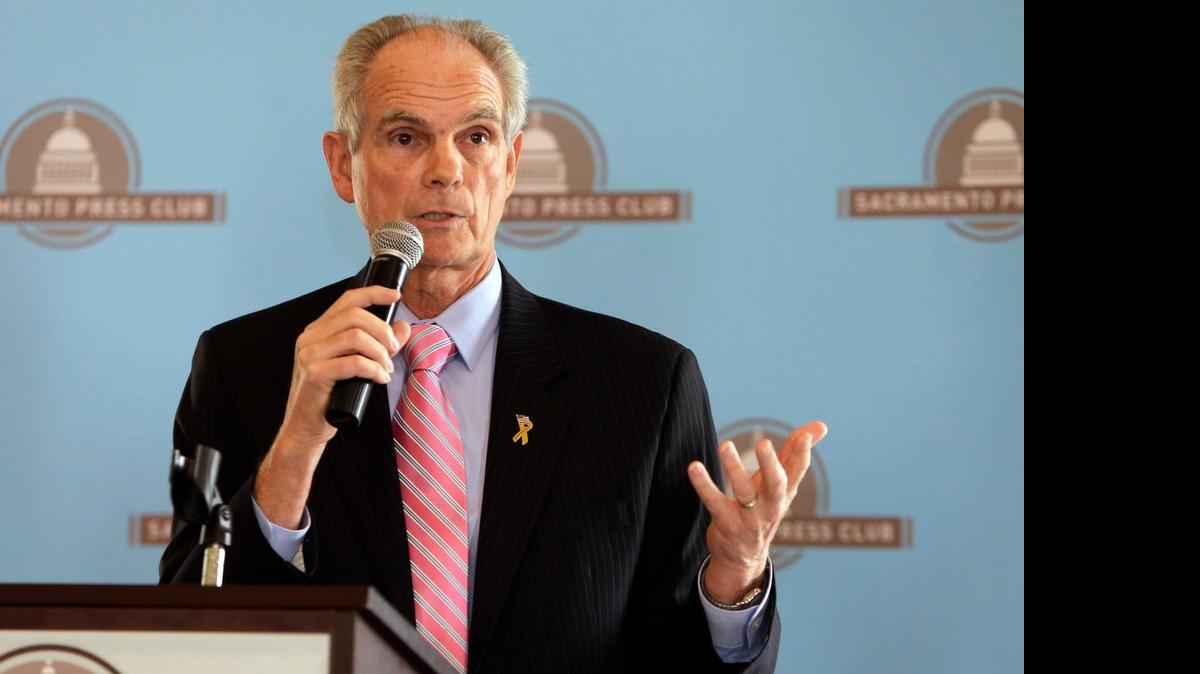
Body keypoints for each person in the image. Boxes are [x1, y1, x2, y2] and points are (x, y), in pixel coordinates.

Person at [160, 15, 827, 674]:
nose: (446, 169)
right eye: (404, 136)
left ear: (508, 165)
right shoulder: (243, 365)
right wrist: (295, 449)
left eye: (475, 137)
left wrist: (735, 582)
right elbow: (186, 641)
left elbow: (678, 662)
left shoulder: (644, 383)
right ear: (343, 165)